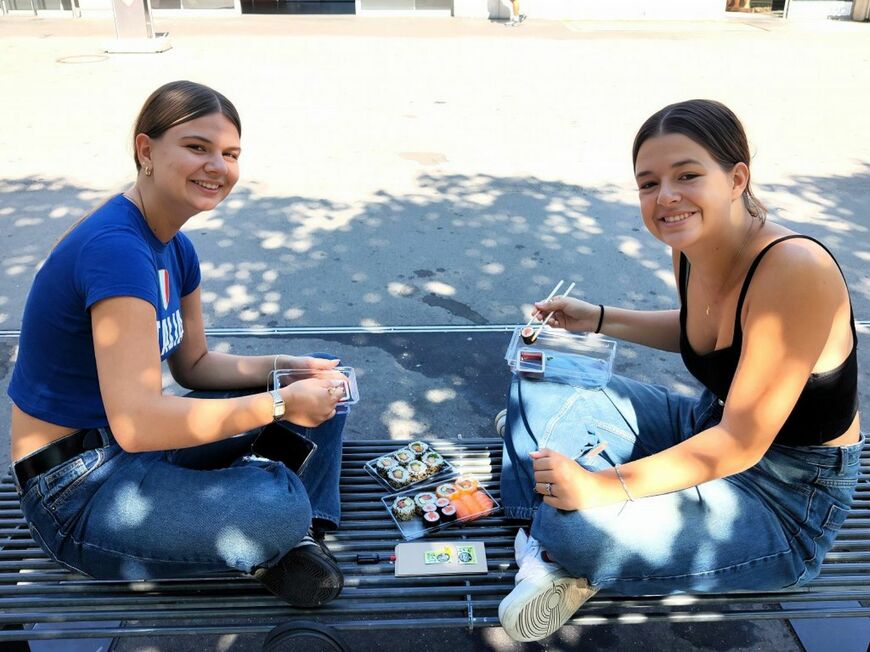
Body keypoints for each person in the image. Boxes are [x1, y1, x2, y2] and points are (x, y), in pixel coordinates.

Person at [496, 99, 862, 642]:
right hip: (706, 424)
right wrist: (596, 319)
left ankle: (552, 537)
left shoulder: (794, 268)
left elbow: (739, 445)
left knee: (579, 528)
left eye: (687, 175)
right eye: (649, 183)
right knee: (539, 375)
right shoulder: (690, 243)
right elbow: (706, 334)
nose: (665, 198)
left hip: (787, 496)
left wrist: (601, 487)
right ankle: (550, 518)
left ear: (737, 178)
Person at [7, 80, 348, 608]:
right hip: (77, 489)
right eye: (197, 147)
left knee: (328, 398)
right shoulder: (115, 249)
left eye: (230, 154)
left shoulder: (175, 245)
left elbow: (194, 365)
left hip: (135, 446)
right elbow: (139, 423)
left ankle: (301, 537)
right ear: (146, 150)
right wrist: (279, 402)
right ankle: (283, 523)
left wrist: (291, 370)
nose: (218, 166)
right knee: (274, 499)